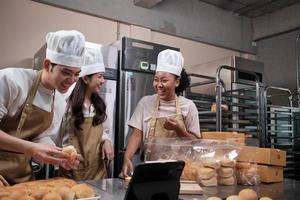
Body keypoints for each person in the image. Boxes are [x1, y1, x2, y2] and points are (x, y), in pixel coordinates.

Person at [0, 30, 85, 184]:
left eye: (76, 74)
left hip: (22, 180)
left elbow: (40, 136)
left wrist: (56, 155)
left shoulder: (58, 101)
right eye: (66, 72)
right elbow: (32, 146)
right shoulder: (12, 81)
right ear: (47, 64)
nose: (72, 80)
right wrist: (31, 149)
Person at [121, 49, 201, 177]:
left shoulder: (189, 106)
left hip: (180, 173)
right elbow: (136, 135)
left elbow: (195, 143)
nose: (159, 85)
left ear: (177, 81)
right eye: (156, 80)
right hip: (150, 171)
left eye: (164, 80)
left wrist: (179, 129)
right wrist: (127, 158)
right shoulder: (145, 103)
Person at [59, 42, 114, 181]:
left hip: (98, 170)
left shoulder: (99, 104)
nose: (103, 80)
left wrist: (107, 141)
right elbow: (60, 138)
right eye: (100, 76)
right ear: (85, 78)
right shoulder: (67, 104)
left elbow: (103, 131)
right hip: (73, 170)